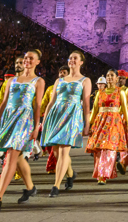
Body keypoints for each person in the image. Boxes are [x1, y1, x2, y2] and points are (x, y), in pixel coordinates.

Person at [0, 49, 45, 213]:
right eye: (25, 58)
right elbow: (3, 103)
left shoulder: (38, 81)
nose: (27, 60)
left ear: (37, 62)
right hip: (8, 119)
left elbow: (38, 105)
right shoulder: (11, 80)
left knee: (11, 156)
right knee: (18, 157)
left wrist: (36, 127)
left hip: (23, 120)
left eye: (31, 58)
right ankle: (31, 187)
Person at [41, 51, 90, 197]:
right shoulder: (59, 81)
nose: (72, 60)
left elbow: (86, 104)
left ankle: (56, 185)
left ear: (81, 62)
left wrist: (87, 123)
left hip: (72, 116)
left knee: (64, 151)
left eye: (75, 58)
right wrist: (44, 122)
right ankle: (70, 173)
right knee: (56, 152)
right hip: (56, 116)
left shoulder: (85, 81)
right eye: (70, 58)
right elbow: (51, 102)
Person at [86, 68, 128, 184]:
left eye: (111, 75)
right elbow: (95, 110)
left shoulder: (120, 92)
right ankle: (101, 173)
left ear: (116, 78)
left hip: (114, 123)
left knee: (109, 149)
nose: (109, 78)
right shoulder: (100, 93)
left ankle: (102, 175)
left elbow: (125, 111)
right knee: (100, 149)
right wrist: (89, 125)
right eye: (108, 75)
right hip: (100, 122)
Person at [42, 64, 69, 175]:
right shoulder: (50, 89)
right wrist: (42, 117)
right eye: (60, 72)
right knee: (51, 144)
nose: (61, 74)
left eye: (64, 72)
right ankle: (63, 167)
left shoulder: (72, 87)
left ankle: (55, 165)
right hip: (52, 117)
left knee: (59, 144)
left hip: (65, 117)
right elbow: (46, 103)